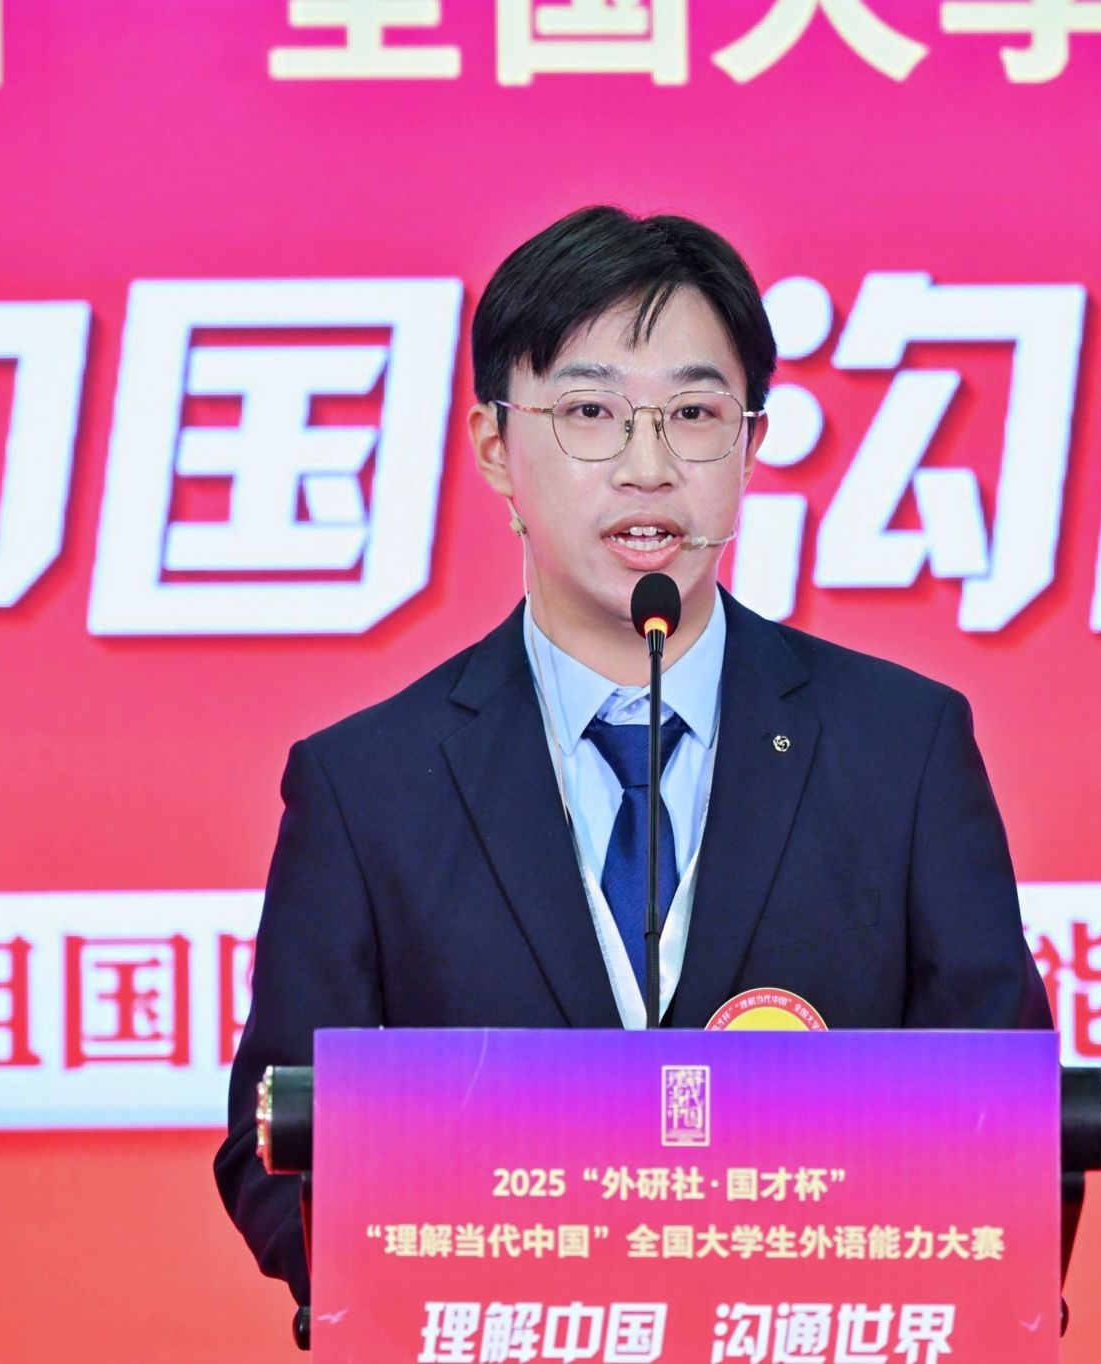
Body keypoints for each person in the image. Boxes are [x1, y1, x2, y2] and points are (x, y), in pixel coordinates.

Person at [214, 206, 1053, 1308]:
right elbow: (277, 1145)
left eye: (693, 414)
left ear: (750, 444)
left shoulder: (902, 747)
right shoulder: (366, 786)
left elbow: (1016, 1122)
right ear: (494, 446)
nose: (648, 466)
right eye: (590, 413)